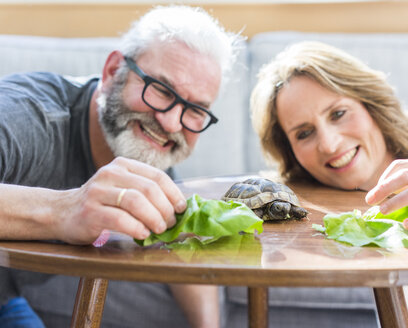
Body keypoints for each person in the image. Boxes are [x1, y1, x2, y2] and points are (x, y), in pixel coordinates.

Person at [0, 5, 241, 328]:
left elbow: (181, 241)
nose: (170, 123)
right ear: (113, 70)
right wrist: (64, 209)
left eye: (195, 109)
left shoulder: (147, 150)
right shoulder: (29, 117)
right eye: (161, 89)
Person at [250, 41, 408, 328]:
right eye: (304, 133)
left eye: (338, 113)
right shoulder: (360, 220)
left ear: (371, 105)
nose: (329, 144)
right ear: (292, 154)